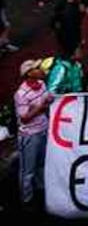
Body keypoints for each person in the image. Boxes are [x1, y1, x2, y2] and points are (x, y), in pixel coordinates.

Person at [14, 59, 54, 209]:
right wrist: (41, 107)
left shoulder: (42, 85)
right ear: (29, 73)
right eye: (37, 68)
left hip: (43, 130)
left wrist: (48, 100)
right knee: (27, 170)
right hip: (29, 136)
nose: (41, 69)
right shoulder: (21, 94)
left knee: (41, 164)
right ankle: (26, 200)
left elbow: (48, 97)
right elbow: (24, 118)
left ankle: (40, 192)